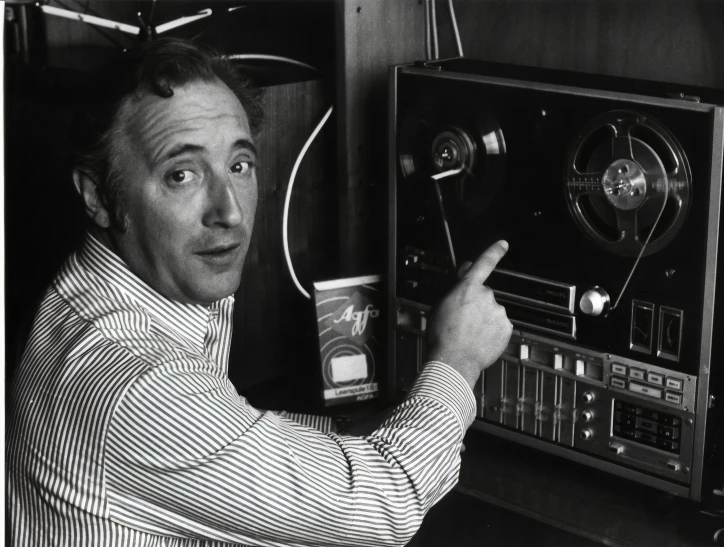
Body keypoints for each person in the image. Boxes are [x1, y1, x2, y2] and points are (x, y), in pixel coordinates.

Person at [7, 38, 513, 546]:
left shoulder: (89, 296)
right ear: (98, 195)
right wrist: (457, 359)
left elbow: (229, 427)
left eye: (239, 166)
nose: (228, 213)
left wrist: (360, 431)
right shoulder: (136, 379)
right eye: (181, 175)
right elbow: (386, 506)